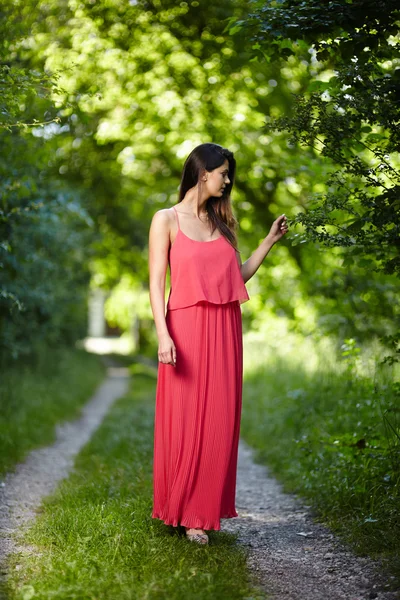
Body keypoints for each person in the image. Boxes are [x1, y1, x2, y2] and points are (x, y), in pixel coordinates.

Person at [148, 142, 288, 545]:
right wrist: (163, 333)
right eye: (223, 172)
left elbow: (234, 278)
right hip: (185, 327)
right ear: (202, 172)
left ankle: (199, 514)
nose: (228, 181)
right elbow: (157, 283)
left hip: (225, 329)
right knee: (185, 418)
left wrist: (267, 243)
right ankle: (178, 508)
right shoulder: (167, 219)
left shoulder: (222, 224)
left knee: (219, 421)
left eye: (229, 174)